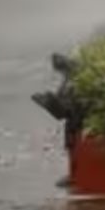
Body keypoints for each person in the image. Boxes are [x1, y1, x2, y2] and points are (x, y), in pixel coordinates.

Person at [31, 52, 85, 188]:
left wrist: (50, 101)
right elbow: (61, 105)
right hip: (73, 118)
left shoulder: (77, 78)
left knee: (75, 145)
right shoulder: (68, 78)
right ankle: (74, 173)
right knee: (71, 145)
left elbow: (65, 108)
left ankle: (76, 174)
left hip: (79, 118)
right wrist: (46, 101)